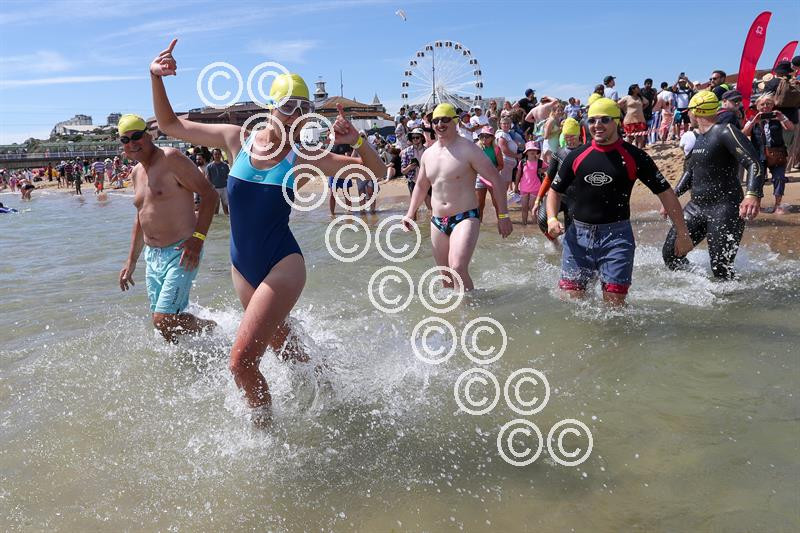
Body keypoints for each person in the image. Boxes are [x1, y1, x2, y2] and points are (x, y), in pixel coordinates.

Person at [150, 39, 386, 415]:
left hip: (282, 264)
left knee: (240, 363)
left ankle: (266, 441)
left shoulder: (304, 155)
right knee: (287, 351)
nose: (295, 115)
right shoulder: (236, 139)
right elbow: (169, 124)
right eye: (289, 106)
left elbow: (377, 171)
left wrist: (357, 138)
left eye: (304, 109)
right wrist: (155, 76)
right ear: (271, 107)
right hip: (242, 268)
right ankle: (335, 393)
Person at [547, 98, 693, 305]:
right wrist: (552, 218)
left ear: (617, 121)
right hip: (578, 237)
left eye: (604, 120)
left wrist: (683, 233)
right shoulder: (577, 156)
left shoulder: (634, 156)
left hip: (616, 238)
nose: (597, 125)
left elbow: (666, 193)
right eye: (592, 120)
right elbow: (554, 191)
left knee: (615, 305)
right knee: (573, 303)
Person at [116, 113, 218, 343]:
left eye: (136, 136)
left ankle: (210, 328)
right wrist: (131, 261)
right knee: (163, 325)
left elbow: (209, 194)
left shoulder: (171, 158)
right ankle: (187, 363)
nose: (132, 143)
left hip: (182, 250)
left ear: (149, 135)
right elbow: (141, 217)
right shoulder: (136, 173)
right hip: (153, 257)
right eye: (125, 139)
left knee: (163, 319)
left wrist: (198, 239)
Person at [403, 103, 512, 290]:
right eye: (435, 120)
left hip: (465, 217)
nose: (439, 124)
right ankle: (453, 317)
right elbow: (421, 185)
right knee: (445, 278)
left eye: (445, 119)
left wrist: (503, 215)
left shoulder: (468, 149)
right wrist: (410, 213)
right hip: (437, 220)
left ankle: (470, 314)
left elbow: (496, 179)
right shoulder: (428, 154)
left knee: (458, 268)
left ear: (455, 121)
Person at [662, 91, 765, 279]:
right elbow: (690, 172)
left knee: (721, 268)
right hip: (696, 207)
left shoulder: (725, 131)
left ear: (695, 111)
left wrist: (752, 194)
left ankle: (730, 299)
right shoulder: (699, 137)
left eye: (689, 112)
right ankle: (698, 282)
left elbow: (753, 162)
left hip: (725, 207)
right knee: (670, 255)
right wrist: (672, 197)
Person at [743, 93, 794, 214]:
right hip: (759, 154)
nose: (765, 106)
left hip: (777, 154)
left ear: (773, 105)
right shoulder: (752, 119)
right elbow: (744, 133)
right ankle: (758, 205)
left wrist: (782, 118)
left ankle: (778, 205)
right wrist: (755, 121)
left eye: (768, 104)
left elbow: (791, 128)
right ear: (757, 106)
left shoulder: (778, 118)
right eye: (762, 104)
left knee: (779, 178)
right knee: (759, 180)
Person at [534, 117, 581, 242]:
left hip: (577, 199)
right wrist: (537, 200)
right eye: (566, 136)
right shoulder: (558, 153)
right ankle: (555, 244)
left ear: (578, 134)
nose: (569, 139)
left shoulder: (585, 152)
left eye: (572, 136)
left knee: (573, 234)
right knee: (542, 219)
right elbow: (548, 178)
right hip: (558, 196)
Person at [763, 61, 799, 149]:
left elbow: (764, 102)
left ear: (777, 71)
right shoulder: (794, 81)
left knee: (779, 149)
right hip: (794, 118)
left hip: (777, 120)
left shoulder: (772, 83)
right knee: (794, 148)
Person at [474, 125, 504, 221]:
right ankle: (478, 225)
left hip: (493, 178)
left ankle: (501, 222)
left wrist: (492, 172)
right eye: (482, 136)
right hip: (479, 178)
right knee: (479, 204)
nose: (484, 138)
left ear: (492, 138)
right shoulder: (476, 148)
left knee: (496, 203)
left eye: (487, 136)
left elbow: (501, 165)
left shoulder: (496, 149)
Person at [401, 127, 431, 217]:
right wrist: (410, 167)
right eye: (413, 138)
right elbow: (403, 171)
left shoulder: (428, 151)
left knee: (430, 207)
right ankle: (413, 229)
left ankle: (433, 227)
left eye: (417, 137)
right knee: (414, 209)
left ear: (422, 138)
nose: (414, 139)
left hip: (427, 181)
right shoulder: (406, 152)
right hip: (413, 181)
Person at [516, 141, 545, 226]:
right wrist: (516, 187)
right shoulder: (522, 162)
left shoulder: (540, 162)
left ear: (537, 151)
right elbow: (518, 174)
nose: (532, 151)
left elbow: (549, 167)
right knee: (524, 208)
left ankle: (535, 226)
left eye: (534, 149)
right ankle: (524, 225)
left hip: (536, 188)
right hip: (524, 188)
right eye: (530, 149)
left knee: (533, 208)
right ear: (526, 152)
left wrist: (542, 170)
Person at [618, 84, 649, 148]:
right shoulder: (627, 97)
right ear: (633, 89)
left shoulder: (640, 97)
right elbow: (618, 104)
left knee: (640, 137)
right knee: (630, 138)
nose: (639, 88)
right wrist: (624, 110)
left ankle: (640, 152)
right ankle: (629, 152)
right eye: (637, 88)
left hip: (640, 119)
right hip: (629, 120)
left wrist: (641, 109)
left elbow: (647, 103)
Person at [495, 116, 520, 192]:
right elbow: (504, 150)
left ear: (510, 125)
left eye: (507, 123)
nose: (506, 125)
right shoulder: (502, 134)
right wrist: (517, 156)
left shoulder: (507, 134)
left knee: (505, 183)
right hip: (505, 161)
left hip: (508, 162)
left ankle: (501, 201)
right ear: (500, 124)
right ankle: (500, 202)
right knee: (503, 184)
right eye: (504, 123)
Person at [206, 148, 230, 215]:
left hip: (224, 188)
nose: (217, 155)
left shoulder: (225, 165)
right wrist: (211, 187)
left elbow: (228, 176)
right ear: (213, 155)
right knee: (215, 209)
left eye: (218, 154)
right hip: (215, 189)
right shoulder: (209, 166)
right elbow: (207, 178)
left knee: (226, 208)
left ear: (220, 155)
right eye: (215, 154)